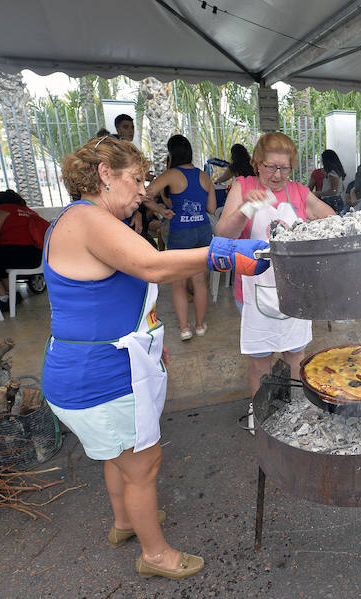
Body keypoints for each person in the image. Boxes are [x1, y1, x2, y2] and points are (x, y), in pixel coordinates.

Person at [44, 135, 267, 580]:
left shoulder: (78, 220)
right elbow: (154, 267)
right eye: (136, 179)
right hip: (98, 373)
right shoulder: (89, 220)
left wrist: (148, 336)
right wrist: (224, 256)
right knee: (143, 463)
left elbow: (111, 294)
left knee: (117, 454)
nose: (144, 190)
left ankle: (126, 522)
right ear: (104, 174)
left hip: (87, 365)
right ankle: (156, 555)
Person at [216, 132, 335, 430]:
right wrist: (246, 208)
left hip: (294, 288)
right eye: (271, 167)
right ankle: (260, 414)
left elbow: (331, 218)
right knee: (260, 359)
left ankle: (298, 412)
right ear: (257, 164)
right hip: (254, 291)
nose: (278, 175)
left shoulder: (297, 192)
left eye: (284, 168)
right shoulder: (242, 187)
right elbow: (222, 235)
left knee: (296, 354)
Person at [144, 135, 215, 340]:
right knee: (200, 282)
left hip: (180, 232)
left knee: (178, 283)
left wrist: (160, 209)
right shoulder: (204, 176)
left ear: (171, 153)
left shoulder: (171, 175)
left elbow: (144, 195)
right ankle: (200, 325)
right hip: (202, 231)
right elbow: (210, 208)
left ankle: (185, 329)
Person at [0, 190, 50, 310]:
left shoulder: (4, 209)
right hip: (37, 256)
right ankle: (12, 295)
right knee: (0, 264)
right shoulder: (30, 212)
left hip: (14, 253)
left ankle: (3, 300)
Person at [315, 149, 347, 214]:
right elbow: (342, 188)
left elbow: (334, 191)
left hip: (331, 201)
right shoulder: (337, 172)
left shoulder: (332, 174)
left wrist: (320, 193)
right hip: (336, 200)